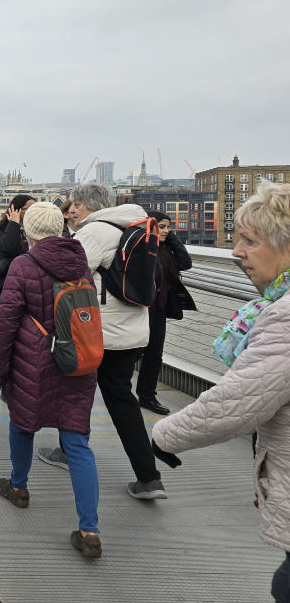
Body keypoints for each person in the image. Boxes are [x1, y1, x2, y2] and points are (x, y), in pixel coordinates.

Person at [151, 182, 290, 602]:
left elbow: (236, 402)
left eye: (249, 241)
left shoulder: (284, 320)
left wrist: (163, 435)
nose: (235, 252)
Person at [37, 183, 168, 500]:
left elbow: (65, 274)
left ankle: (69, 452)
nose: (71, 212)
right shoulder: (136, 224)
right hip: (134, 332)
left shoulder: (95, 232)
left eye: (75, 207)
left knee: (73, 392)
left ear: (85, 205)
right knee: (122, 399)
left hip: (97, 333)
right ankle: (149, 477)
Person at [0, 202, 102, 558]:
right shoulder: (81, 261)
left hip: (33, 362)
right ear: (61, 227)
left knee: (22, 425)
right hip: (77, 361)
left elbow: (5, 323)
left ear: (27, 231)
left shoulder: (23, 265)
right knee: (78, 443)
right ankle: (89, 529)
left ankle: (19, 487)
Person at [136, 211, 196, 415]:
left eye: (168, 227)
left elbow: (186, 263)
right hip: (139, 308)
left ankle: (147, 396)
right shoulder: (141, 246)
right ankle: (120, 392)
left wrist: (169, 236)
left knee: (154, 354)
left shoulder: (165, 250)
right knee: (132, 352)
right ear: (150, 226)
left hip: (159, 309)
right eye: (161, 226)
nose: (166, 230)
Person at [0, 195, 36, 305]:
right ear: (16, 210)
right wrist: (13, 224)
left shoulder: (36, 229)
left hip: (32, 283)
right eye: (29, 208)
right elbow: (7, 248)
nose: (34, 211)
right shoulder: (0, 231)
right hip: (7, 283)